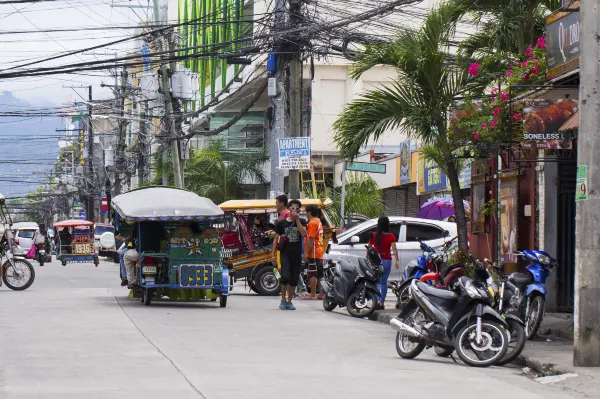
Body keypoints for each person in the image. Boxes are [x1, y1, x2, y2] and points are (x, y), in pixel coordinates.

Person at [271, 199, 306, 310]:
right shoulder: (282, 223)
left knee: (294, 278)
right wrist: (272, 255)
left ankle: (289, 301)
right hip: (284, 253)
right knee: (285, 276)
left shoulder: (302, 221)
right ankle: (283, 299)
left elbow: (304, 233)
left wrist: (297, 221)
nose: (295, 210)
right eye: (293, 208)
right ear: (289, 209)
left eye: (297, 209)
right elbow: (276, 238)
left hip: (296, 254)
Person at [368, 216, 399, 309]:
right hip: (386, 260)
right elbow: (394, 249)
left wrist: (368, 258)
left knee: (377, 282)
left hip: (376, 261)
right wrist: (397, 260)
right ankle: (381, 302)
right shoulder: (391, 236)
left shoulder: (373, 235)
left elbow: (369, 247)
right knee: (383, 282)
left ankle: (376, 300)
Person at [302, 204, 325, 300]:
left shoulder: (312, 223)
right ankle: (322, 294)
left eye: (305, 211)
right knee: (320, 273)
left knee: (312, 273)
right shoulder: (318, 221)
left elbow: (311, 240)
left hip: (313, 252)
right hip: (319, 251)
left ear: (309, 212)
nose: (305, 213)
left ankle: (313, 294)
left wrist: (306, 253)